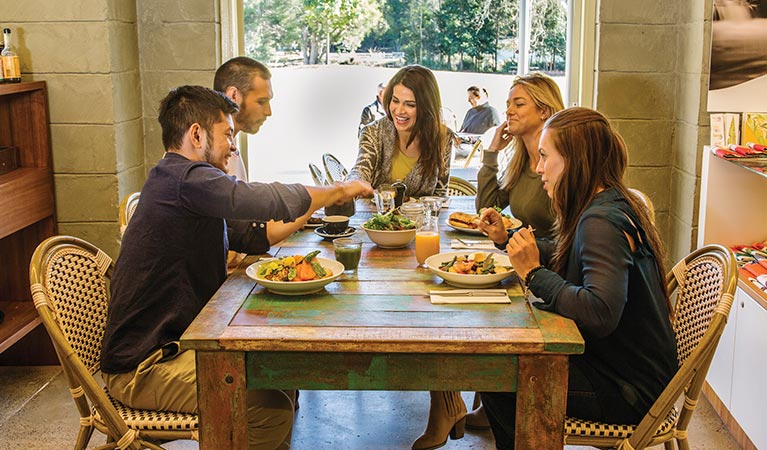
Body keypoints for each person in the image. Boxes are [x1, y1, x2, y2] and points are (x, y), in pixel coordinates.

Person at [100, 85, 372, 450]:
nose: (232, 145)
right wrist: (337, 190)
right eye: (227, 134)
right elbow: (259, 199)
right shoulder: (183, 179)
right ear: (196, 134)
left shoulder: (183, 186)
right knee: (269, 410)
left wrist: (313, 207)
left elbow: (254, 233)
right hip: (145, 367)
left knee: (281, 376)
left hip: (177, 345)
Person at [477, 107, 678, 450]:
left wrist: (534, 274)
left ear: (574, 160)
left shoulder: (601, 222)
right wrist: (507, 241)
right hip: (629, 373)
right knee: (500, 367)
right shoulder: (605, 202)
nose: (539, 168)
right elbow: (566, 252)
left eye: (545, 157)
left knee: (498, 378)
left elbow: (599, 313)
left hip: (629, 391)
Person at [214, 56, 304, 248]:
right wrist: (316, 200)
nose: (269, 111)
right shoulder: (209, 156)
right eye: (262, 101)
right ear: (233, 96)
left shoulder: (232, 146)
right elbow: (237, 245)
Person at [475, 73, 565, 240]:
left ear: (544, 111)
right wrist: (492, 152)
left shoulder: (561, 164)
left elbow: (568, 239)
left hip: (549, 262)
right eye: (508, 105)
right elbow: (485, 210)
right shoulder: (519, 163)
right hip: (521, 256)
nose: (508, 112)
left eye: (519, 104)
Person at [348, 65, 453, 198]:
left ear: (427, 107)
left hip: (420, 218)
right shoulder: (373, 132)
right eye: (395, 101)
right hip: (376, 217)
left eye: (410, 104)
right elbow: (361, 170)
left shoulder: (443, 136)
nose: (399, 111)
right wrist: (352, 184)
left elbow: (440, 195)